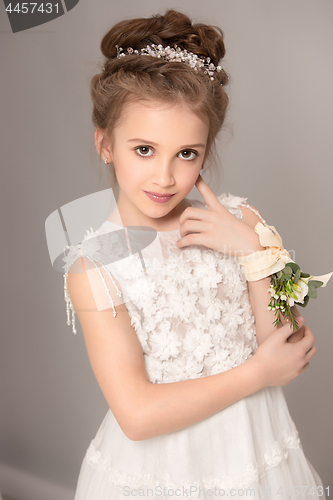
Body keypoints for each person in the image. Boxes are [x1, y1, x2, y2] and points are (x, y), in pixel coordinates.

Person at [62, 10, 326, 499]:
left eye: (187, 153)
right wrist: (257, 374)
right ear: (105, 144)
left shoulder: (242, 221)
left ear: (206, 150)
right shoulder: (94, 267)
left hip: (256, 452)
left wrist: (252, 253)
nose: (165, 176)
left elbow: (289, 349)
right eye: (144, 150)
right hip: (161, 472)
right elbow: (137, 416)